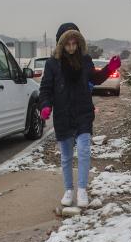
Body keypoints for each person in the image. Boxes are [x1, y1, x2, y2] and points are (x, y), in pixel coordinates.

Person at [39, 23, 121, 207]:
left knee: (84, 151)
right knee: (66, 156)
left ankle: (82, 190)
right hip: (63, 115)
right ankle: (69, 190)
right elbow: (46, 89)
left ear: (78, 43)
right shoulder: (52, 63)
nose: (71, 47)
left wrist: (109, 68)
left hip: (83, 113)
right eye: (67, 44)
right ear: (61, 44)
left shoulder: (85, 60)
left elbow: (95, 78)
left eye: (74, 43)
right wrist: (45, 106)